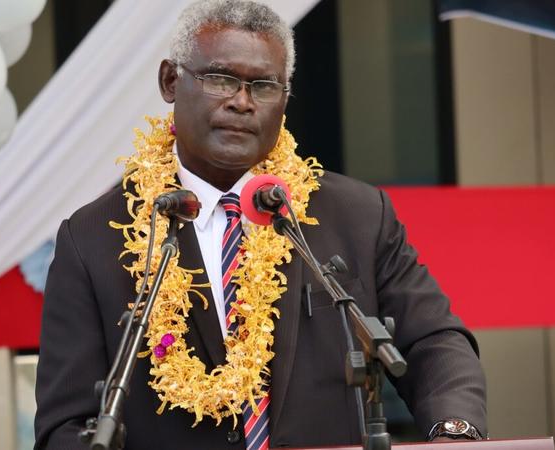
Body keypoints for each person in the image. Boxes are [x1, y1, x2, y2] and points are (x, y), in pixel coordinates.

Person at [34, 1, 487, 449]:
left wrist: (456, 431)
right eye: (220, 79)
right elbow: (65, 425)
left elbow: (433, 340)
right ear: (171, 81)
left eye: (264, 86)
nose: (242, 102)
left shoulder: (356, 216)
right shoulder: (95, 238)